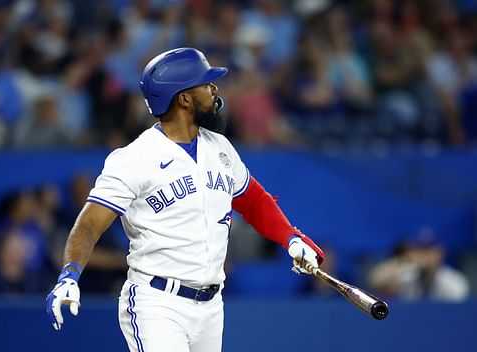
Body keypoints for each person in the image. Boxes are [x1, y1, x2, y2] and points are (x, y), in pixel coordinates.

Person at [46, 47, 324, 352]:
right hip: (157, 303)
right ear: (184, 99)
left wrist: (292, 240)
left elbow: (253, 200)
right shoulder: (134, 158)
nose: (214, 90)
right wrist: (69, 276)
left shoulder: (219, 146)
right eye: (206, 85)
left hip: (211, 306)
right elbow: (88, 226)